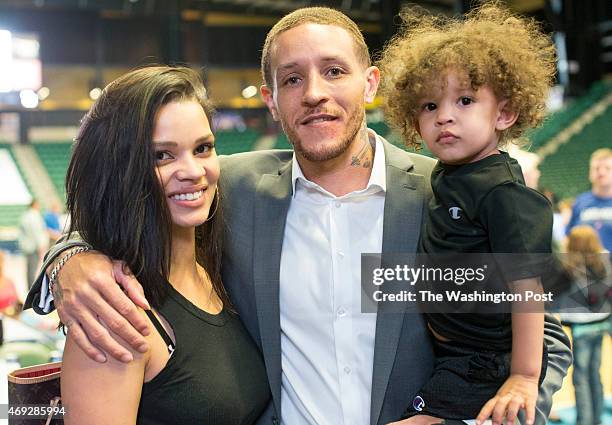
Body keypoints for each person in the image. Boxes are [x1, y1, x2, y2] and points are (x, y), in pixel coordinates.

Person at [25, 7, 571, 425]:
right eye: (291, 79)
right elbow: (126, 195)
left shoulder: (444, 195)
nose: (315, 94)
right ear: (270, 98)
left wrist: (465, 419)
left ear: (371, 84)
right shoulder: (230, 187)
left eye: (334, 71)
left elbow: (543, 338)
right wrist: (71, 259)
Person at [57, 66, 269, 424]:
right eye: (162, 155)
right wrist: (66, 258)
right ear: (121, 169)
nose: (193, 171)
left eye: (202, 148)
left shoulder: (213, 270)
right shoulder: (112, 314)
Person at [378, 3, 556, 424]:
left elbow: (528, 290)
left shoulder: (502, 192)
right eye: (428, 106)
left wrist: (524, 376)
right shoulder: (447, 174)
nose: (444, 117)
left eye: (464, 100)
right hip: (451, 352)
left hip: (485, 362)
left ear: (505, 113)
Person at [558, 226, 610, 425]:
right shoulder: (604, 261)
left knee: (580, 377)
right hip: (601, 324)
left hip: (581, 328)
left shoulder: (569, 266)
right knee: (595, 373)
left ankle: (584, 420)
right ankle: (595, 418)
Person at [566, 148, 612, 252]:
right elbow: (569, 236)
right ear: (590, 173)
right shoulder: (579, 202)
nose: (601, 172)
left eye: (608, 168)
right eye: (596, 168)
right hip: (585, 265)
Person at [17, 199, 48, 288]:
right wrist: (40, 246)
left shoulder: (26, 215)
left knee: (30, 268)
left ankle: (30, 286)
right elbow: (36, 232)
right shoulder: (34, 216)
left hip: (28, 246)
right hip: (33, 247)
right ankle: (31, 287)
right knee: (33, 268)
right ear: (34, 205)